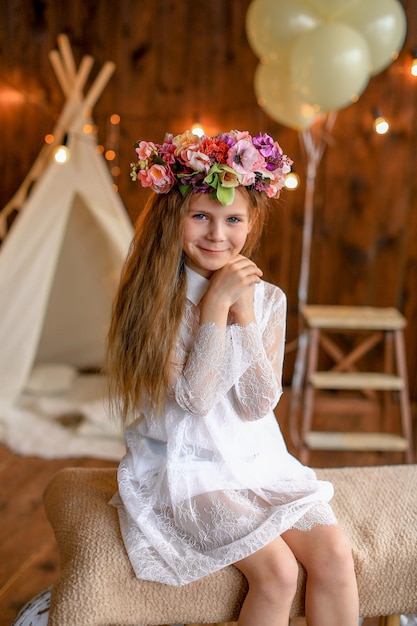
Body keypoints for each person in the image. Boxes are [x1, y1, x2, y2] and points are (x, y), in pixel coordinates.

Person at [106, 129, 359, 626]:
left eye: (232, 219)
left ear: (251, 221)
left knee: (335, 558)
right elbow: (195, 401)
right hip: (187, 466)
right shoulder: (156, 300)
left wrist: (243, 310)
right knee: (279, 575)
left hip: (257, 460)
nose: (216, 234)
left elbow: (256, 404)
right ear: (171, 220)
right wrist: (216, 307)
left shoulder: (268, 300)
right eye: (200, 216)